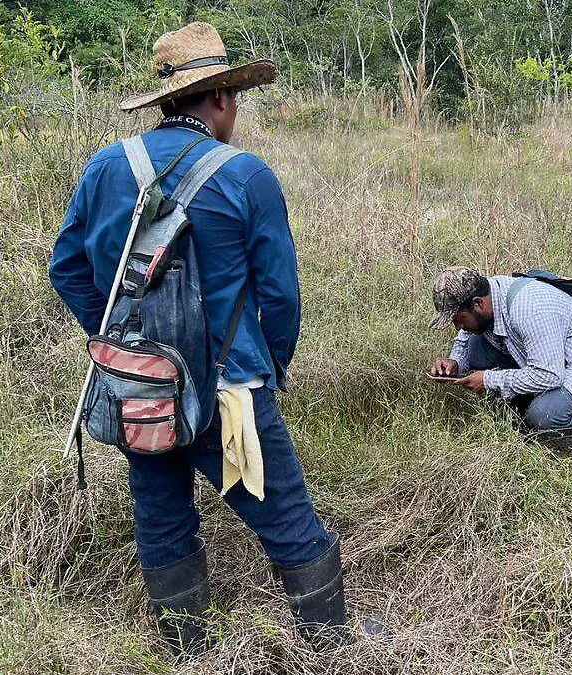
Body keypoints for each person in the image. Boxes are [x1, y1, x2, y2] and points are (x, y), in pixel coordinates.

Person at [49, 23, 349, 654]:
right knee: (286, 516)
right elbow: (279, 296)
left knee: (159, 512)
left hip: (139, 383)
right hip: (229, 384)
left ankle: (185, 649)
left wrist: (119, 343)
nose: (235, 111)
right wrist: (272, 368)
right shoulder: (245, 175)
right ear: (217, 100)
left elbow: (67, 268)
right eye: (233, 98)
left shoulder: (107, 166)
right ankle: (331, 646)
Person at [427, 267, 572, 451]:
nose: (458, 327)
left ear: (478, 304)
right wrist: (456, 362)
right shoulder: (489, 294)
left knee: (544, 415)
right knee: (475, 346)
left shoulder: (530, 308)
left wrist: (488, 380)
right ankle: (519, 407)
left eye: (458, 319)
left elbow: (549, 376)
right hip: (549, 360)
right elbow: (465, 337)